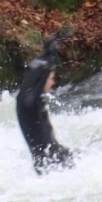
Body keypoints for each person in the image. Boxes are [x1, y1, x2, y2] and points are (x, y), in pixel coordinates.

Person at [16, 33, 75, 175]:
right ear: (41, 79)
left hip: (52, 157)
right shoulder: (29, 103)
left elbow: (36, 70)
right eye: (51, 78)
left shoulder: (25, 99)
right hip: (51, 163)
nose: (53, 82)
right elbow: (40, 70)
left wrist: (48, 54)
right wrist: (50, 57)